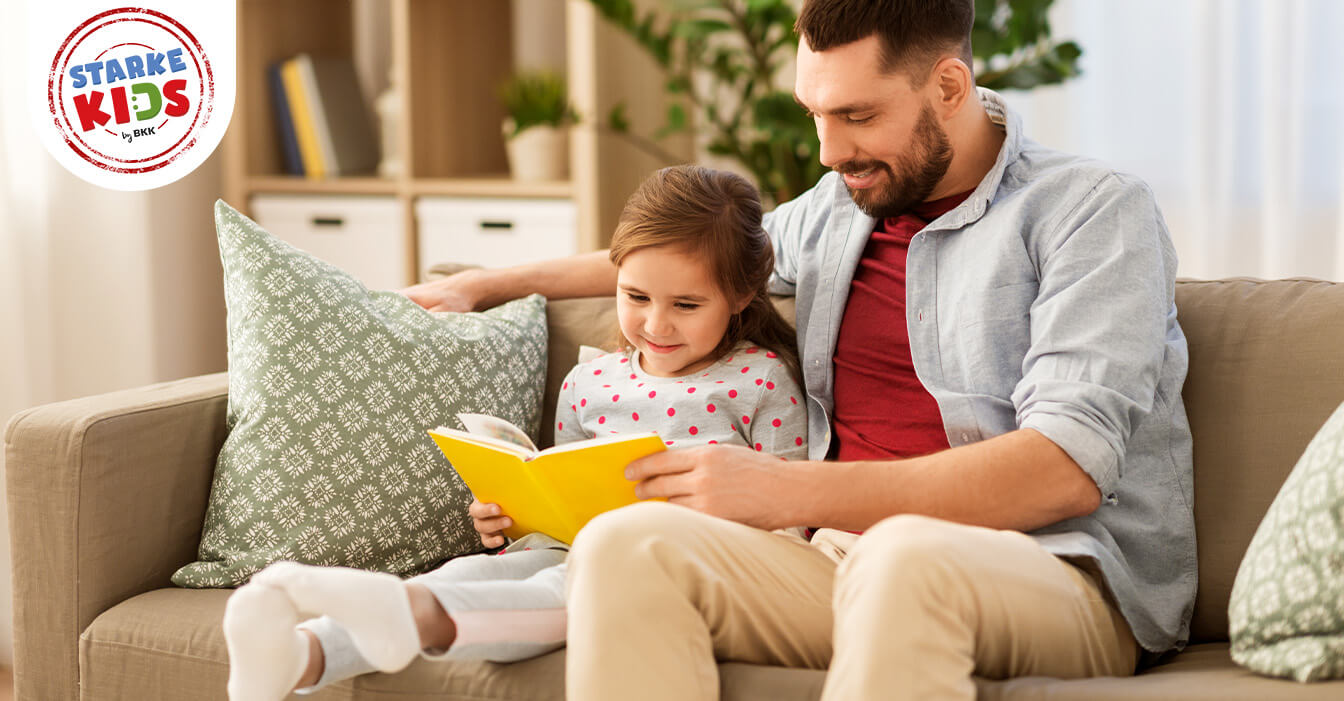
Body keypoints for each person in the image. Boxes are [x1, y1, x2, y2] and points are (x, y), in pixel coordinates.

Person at [401, 1, 1196, 699]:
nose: (827, 150)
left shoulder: (1091, 213)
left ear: (948, 88)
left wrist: (788, 490)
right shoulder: (838, 207)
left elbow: (1062, 468)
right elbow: (682, 261)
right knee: (624, 542)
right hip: (842, 560)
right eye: (814, 113)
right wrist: (489, 281)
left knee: (905, 554)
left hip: (1057, 575)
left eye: (855, 115)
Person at [220, 165, 810, 701]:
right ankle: (302, 656)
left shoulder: (760, 382)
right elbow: (561, 505)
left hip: (670, 569)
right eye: (635, 296)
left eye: (685, 304)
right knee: (471, 574)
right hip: (570, 549)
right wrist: (510, 525)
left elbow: (788, 529)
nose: (655, 324)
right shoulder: (588, 381)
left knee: (563, 592)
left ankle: (408, 615)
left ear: (741, 295)